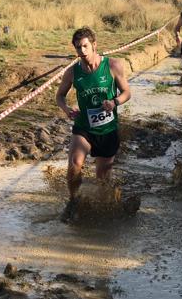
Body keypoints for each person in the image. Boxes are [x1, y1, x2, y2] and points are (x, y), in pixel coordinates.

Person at [55, 27, 131, 223]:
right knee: (74, 164)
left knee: (102, 177)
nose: (82, 51)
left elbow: (126, 93)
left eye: (85, 46)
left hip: (107, 129)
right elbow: (60, 96)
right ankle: (73, 201)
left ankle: (106, 207)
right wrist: (67, 109)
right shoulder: (72, 72)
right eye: (78, 48)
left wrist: (114, 102)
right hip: (84, 127)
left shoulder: (113, 66)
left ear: (94, 45)